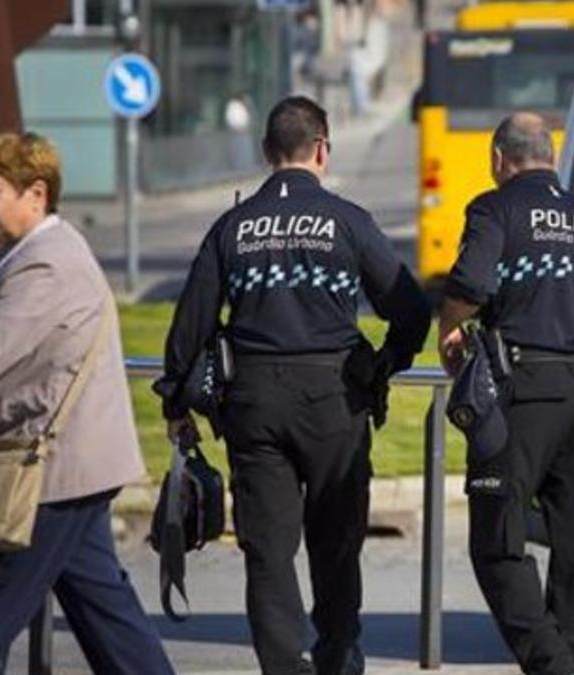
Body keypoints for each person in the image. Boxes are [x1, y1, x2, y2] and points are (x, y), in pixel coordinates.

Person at [156, 95, 429, 675]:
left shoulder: (232, 226)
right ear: (323, 149)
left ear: (266, 153)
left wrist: (176, 402)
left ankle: (282, 665)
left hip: (253, 402)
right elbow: (410, 309)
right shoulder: (349, 221)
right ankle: (336, 659)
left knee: (267, 551)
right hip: (333, 398)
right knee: (336, 543)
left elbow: (191, 325)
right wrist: (383, 364)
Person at [0, 132, 174, 675]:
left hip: (47, 470)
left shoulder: (45, 267)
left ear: (35, 194)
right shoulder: (36, 255)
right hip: (67, 465)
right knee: (106, 616)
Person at [438, 112, 574, 675]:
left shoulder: (495, 208)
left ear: (498, 160)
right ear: (551, 158)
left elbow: (470, 285)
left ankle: (552, 665)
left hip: (524, 397)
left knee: (496, 543)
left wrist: (448, 327)